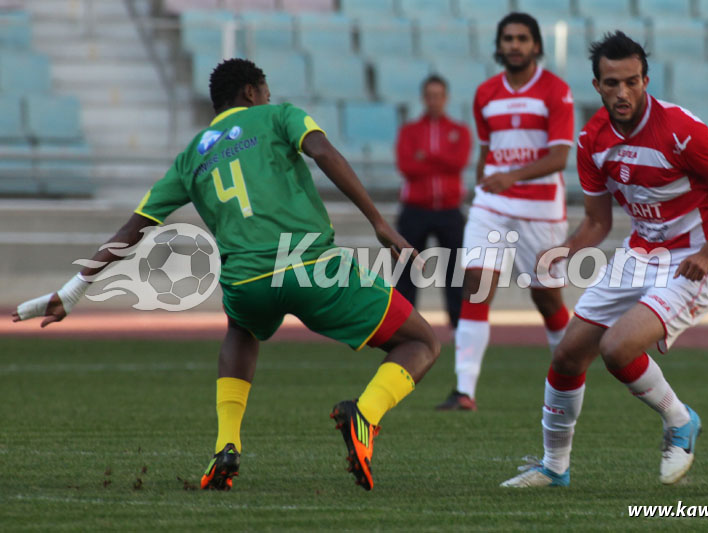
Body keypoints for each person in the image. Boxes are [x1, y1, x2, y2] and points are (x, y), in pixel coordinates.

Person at [12, 58, 440, 492]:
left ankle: (226, 447)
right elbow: (324, 152)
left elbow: (133, 229)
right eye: (266, 90)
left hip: (247, 282)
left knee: (241, 329)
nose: (269, 97)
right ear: (252, 92)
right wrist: (380, 223)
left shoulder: (191, 155)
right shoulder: (279, 115)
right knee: (421, 341)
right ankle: (363, 417)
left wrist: (73, 290)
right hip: (312, 268)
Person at [500, 32, 708, 488]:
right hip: (641, 253)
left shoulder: (680, 130)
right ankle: (554, 468)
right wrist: (560, 253)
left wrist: (707, 252)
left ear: (645, 80)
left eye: (631, 82)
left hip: (696, 259)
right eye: (611, 83)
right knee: (566, 355)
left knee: (618, 347)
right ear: (597, 85)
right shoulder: (591, 140)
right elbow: (598, 223)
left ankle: (680, 421)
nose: (622, 93)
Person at [436, 12, 574, 411]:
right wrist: (486, 184)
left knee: (546, 298)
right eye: (508, 38)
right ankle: (464, 390)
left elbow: (559, 156)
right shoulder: (485, 93)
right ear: (499, 45)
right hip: (492, 204)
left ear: (535, 45)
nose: (514, 45)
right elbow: (485, 149)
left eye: (522, 38)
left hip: (541, 209)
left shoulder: (555, 90)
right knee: (476, 286)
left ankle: (567, 372)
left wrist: (509, 177)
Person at [395, 74, 471, 329]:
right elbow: (407, 166)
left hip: (449, 210)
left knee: (455, 273)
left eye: (438, 96)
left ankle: (459, 327)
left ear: (446, 98)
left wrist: (426, 156)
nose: (434, 101)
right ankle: (403, 325)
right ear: (423, 98)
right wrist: (440, 159)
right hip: (415, 210)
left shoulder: (459, 131)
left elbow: (458, 162)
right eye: (430, 96)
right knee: (406, 271)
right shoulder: (409, 131)